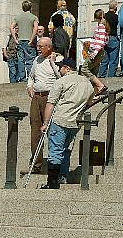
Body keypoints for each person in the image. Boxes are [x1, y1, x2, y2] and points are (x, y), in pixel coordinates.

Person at [40, 58, 93, 189]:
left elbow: (50, 103)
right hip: (75, 122)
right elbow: (89, 102)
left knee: (55, 150)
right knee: (65, 149)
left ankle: (52, 182)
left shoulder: (61, 82)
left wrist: (45, 123)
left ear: (67, 68)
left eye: (61, 67)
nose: (59, 70)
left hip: (60, 120)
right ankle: (62, 177)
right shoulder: (87, 83)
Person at [23, 37, 60, 175]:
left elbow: (61, 77)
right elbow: (31, 76)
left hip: (50, 97)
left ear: (49, 47)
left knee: (51, 130)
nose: (38, 48)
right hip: (36, 97)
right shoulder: (36, 60)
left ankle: (54, 164)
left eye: (41, 46)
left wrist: (52, 62)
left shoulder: (58, 59)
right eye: (38, 46)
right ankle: (36, 164)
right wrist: (29, 87)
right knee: (35, 130)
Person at [80, 9, 108, 95]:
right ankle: (94, 91)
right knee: (93, 71)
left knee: (84, 69)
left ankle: (100, 85)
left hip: (97, 52)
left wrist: (95, 52)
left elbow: (101, 41)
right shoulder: (103, 26)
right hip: (98, 51)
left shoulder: (101, 26)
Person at [10, 0, 38, 82]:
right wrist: (32, 39)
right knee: (30, 60)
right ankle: (30, 77)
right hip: (29, 40)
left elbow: (11, 27)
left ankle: (22, 78)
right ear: (30, 7)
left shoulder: (18, 17)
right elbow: (36, 28)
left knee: (20, 60)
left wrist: (15, 38)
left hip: (20, 40)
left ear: (22, 8)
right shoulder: (33, 17)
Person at [98, 0, 120, 78]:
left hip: (104, 38)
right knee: (113, 60)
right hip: (113, 38)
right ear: (115, 7)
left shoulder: (104, 17)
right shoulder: (116, 17)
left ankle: (101, 75)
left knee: (104, 59)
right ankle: (111, 76)